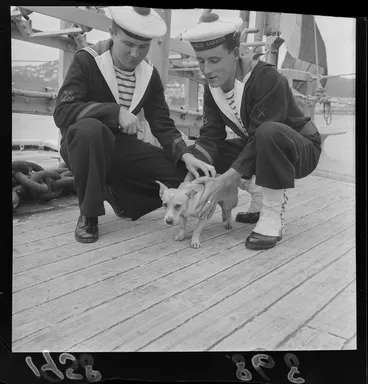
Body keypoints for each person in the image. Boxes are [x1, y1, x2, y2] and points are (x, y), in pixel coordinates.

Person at [53, 6, 215, 244]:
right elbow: (62, 112)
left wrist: (185, 155)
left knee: (181, 175)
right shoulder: (87, 60)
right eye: (128, 44)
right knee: (91, 130)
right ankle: (89, 214)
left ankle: (121, 196)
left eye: (143, 46)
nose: (135, 53)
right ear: (112, 33)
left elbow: (162, 124)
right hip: (83, 145)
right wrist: (113, 111)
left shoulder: (149, 75)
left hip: (121, 148)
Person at [179, 12, 322, 250]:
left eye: (214, 60)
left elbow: (261, 136)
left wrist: (223, 181)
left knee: (268, 133)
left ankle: (272, 215)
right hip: (261, 145)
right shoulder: (211, 89)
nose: (207, 69)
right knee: (195, 153)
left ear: (235, 54)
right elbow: (212, 136)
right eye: (201, 61)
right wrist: (193, 174)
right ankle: (258, 197)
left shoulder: (266, 78)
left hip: (301, 149)